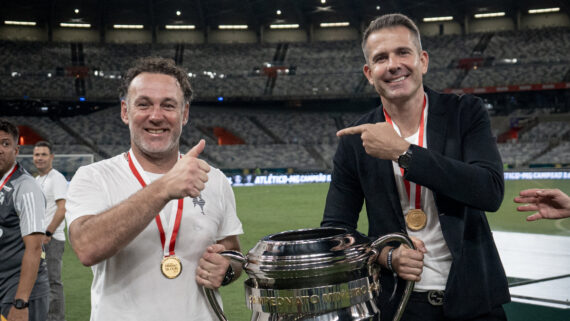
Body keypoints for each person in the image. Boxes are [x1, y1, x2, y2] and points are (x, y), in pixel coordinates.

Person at [321, 14, 509, 321]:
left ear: (423, 60)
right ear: (370, 73)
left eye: (403, 52)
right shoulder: (357, 139)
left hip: (475, 301)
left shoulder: (465, 113)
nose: (393, 64)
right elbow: (335, 229)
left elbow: (489, 191)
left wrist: (403, 152)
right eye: (381, 58)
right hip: (400, 304)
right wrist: (385, 255)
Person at [65, 57, 243, 321]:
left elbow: (233, 251)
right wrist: (162, 189)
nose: (156, 116)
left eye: (168, 105)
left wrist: (227, 267)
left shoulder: (213, 179)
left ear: (184, 114)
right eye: (144, 104)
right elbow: (87, 248)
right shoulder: (94, 177)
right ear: (126, 111)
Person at [0, 119, 49, 321]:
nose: (0, 149)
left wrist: (20, 303)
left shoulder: (25, 187)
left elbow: (34, 248)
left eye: (5, 143)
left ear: (16, 150)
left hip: (19, 289)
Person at [32, 141, 67, 321]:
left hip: (51, 239)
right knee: (39, 282)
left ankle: (56, 319)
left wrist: (48, 233)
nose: (40, 158)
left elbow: (62, 208)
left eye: (44, 154)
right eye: (37, 155)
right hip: (37, 240)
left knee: (53, 282)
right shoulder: (37, 180)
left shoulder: (57, 178)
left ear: (51, 157)